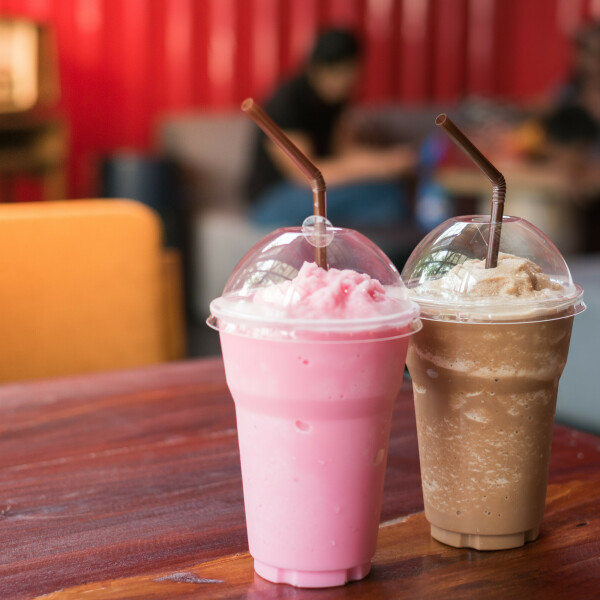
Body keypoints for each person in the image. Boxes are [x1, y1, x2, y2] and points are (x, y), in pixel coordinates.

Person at [246, 28, 415, 228]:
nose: (352, 80)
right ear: (319, 68)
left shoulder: (336, 100)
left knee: (389, 194)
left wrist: (392, 160)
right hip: (273, 199)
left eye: (355, 71)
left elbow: (344, 151)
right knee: (387, 201)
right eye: (345, 72)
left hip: (315, 189)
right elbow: (307, 176)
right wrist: (381, 165)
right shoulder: (286, 102)